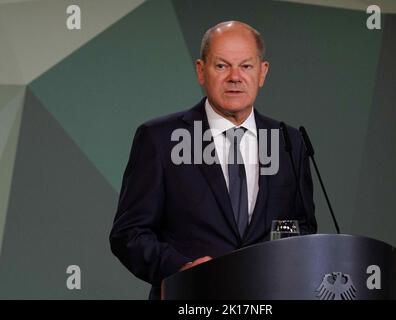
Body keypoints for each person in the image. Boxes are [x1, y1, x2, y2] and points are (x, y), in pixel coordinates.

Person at [109, 21, 317, 300]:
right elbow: (129, 233)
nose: (235, 77)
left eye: (246, 66)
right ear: (200, 71)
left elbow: (302, 226)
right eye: (222, 66)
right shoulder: (160, 138)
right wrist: (181, 269)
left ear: (262, 72)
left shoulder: (289, 141)